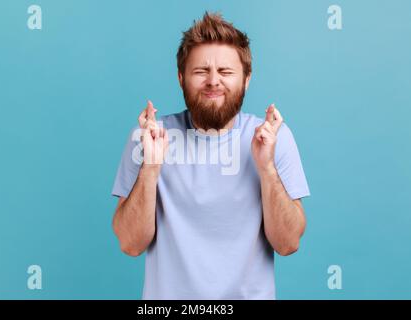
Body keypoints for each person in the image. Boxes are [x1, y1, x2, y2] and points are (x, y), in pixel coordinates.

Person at [111, 12, 311, 299]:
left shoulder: (273, 138)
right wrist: (150, 167)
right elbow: (130, 244)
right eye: (200, 71)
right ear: (181, 78)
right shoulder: (150, 137)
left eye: (226, 72)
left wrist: (266, 168)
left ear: (246, 79)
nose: (213, 82)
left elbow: (288, 243)